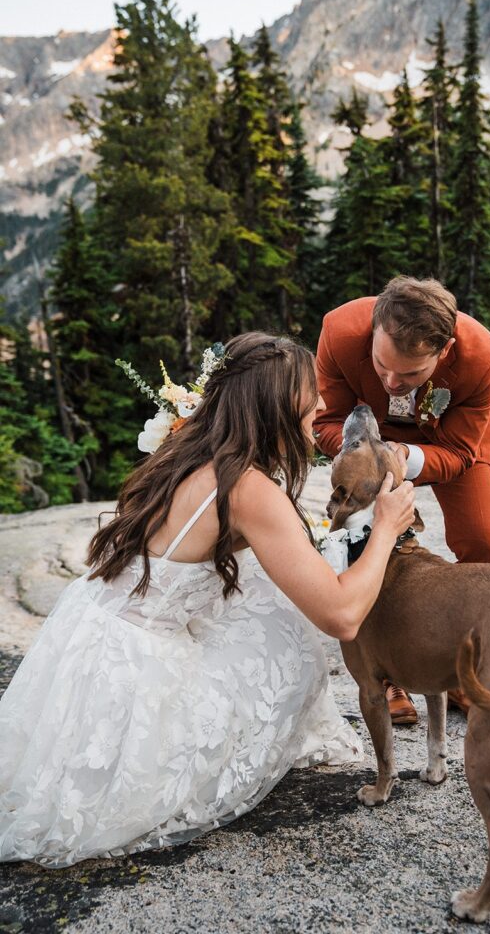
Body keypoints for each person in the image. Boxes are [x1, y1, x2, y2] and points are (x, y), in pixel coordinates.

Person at [0, 332, 415, 868]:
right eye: (311, 393)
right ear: (279, 406)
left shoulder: (191, 447)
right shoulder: (248, 488)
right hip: (137, 681)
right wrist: (384, 529)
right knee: (292, 623)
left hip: (90, 643)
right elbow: (340, 615)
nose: (321, 404)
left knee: (267, 586)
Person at [315, 276, 490, 724]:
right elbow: (325, 421)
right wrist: (369, 456)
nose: (390, 381)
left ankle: (463, 666)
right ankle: (387, 674)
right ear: (372, 332)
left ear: (443, 352)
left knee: (483, 542)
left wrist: (406, 457)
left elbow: (463, 451)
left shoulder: (483, 355)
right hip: (366, 447)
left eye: (409, 374)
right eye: (382, 366)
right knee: (364, 545)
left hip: (443, 446)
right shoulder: (339, 329)